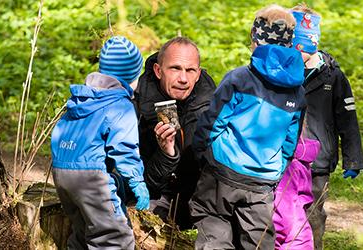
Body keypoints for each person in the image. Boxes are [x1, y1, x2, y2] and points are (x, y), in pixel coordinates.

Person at [190, 4, 306, 249]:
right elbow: (289, 142)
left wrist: (201, 153)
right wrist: (275, 170)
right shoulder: (298, 92)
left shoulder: (239, 78)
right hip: (263, 180)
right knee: (258, 239)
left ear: (254, 38)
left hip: (222, 169)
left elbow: (212, 122)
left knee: (212, 220)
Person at [50, 36, 150, 249]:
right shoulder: (120, 105)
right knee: (113, 237)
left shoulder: (83, 98)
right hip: (91, 177)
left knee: (83, 231)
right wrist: (137, 182)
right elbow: (125, 148)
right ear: (132, 76)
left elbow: (60, 132)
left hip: (62, 172)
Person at [291, 4, 363, 249]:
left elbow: (348, 119)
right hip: (285, 156)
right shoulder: (283, 71)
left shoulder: (332, 76)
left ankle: (314, 245)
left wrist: (353, 159)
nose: (294, 50)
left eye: (299, 44)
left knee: (313, 211)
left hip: (318, 160)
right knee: (283, 208)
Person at [133, 37, 216, 229]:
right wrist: (166, 154)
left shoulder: (213, 103)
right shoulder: (136, 107)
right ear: (158, 71)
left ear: (198, 74)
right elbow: (137, 183)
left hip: (199, 198)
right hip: (155, 195)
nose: (183, 79)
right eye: (175, 68)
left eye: (190, 70)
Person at [273, 134, 320, 249]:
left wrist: (272, 240)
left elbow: (283, 213)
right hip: (301, 234)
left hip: (290, 241)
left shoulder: (289, 165)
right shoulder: (300, 158)